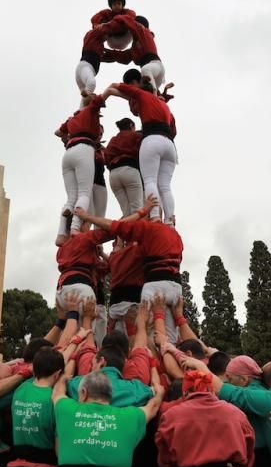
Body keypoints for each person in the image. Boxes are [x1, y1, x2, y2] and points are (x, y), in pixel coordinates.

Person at [75, 205, 184, 339]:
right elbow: (116, 264)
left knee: (129, 340)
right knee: (155, 337)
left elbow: (115, 229)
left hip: (127, 300)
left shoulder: (140, 240)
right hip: (155, 291)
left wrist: (87, 217)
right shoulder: (168, 236)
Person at [101, 81, 177, 223]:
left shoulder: (141, 95)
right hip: (170, 145)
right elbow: (174, 130)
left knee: (150, 181)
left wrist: (101, 99)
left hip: (152, 140)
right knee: (165, 186)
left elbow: (115, 86)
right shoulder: (165, 106)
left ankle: (154, 216)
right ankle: (170, 220)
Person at [55, 94, 106, 240]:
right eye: (99, 131)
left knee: (72, 198)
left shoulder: (73, 120)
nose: (99, 134)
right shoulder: (90, 114)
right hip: (84, 155)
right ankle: (75, 228)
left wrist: (70, 134)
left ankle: (61, 234)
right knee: (84, 195)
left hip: (70, 153)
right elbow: (101, 97)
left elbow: (58, 132)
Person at [105, 14, 166, 90]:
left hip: (154, 65)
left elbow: (131, 23)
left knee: (145, 70)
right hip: (151, 73)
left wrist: (114, 20)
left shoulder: (144, 32)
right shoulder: (135, 47)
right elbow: (125, 57)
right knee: (145, 90)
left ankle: (153, 92)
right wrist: (104, 53)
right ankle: (154, 93)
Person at [105, 118, 144, 217]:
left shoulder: (113, 139)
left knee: (126, 212)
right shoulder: (136, 135)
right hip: (129, 169)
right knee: (137, 210)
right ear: (131, 126)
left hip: (113, 174)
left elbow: (106, 156)